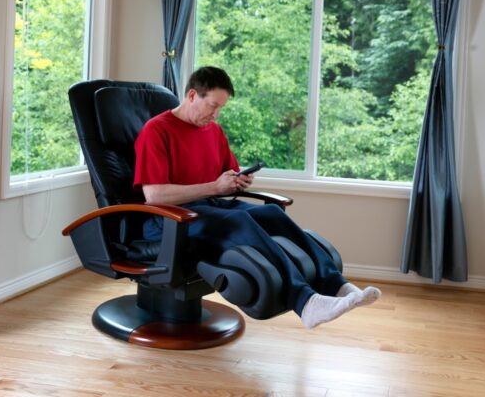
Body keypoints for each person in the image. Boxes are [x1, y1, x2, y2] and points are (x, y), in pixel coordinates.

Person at [134, 66, 380, 328]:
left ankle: (337, 285)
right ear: (193, 95)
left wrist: (237, 180)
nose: (216, 115)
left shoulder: (212, 131)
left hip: (209, 206)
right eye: (212, 106)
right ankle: (305, 302)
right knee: (240, 222)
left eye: (221, 109)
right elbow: (154, 195)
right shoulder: (157, 130)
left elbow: (224, 175)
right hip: (170, 218)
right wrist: (214, 188)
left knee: (271, 213)